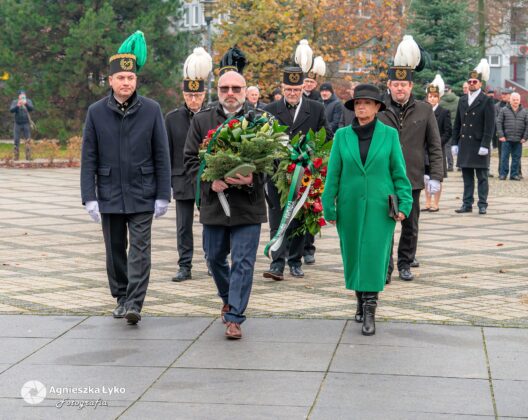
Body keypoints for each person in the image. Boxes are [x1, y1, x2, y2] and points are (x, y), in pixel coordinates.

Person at [80, 31, 171, 325]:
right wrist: (89, 197)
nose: (126, 83)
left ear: (136, 80)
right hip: (109, 193)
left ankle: (134, 302)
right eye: (120, 78)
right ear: (110, 80)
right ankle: (121, 296)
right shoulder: (96, 112)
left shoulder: (152, 110)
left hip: (143, 191)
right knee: (115, 250)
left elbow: (162, 154)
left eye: (130, 78)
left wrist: (163, 194)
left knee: (140, 250)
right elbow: (88, 157)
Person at [322, 84, 412, 336]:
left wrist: (405, 203)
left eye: (367, 103)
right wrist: (328, 205)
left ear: (377, 107)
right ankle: (360, 300)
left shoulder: (389, 135)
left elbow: (399, 172)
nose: (361, 107)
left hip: (380, 207)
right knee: (353, 254)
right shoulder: (342, 136)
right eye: (358, 103)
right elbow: (333, 174)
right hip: (349, 206)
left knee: (374, 255)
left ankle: (370, 309)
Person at [184, 70, 265, 340]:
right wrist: (210, 181)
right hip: (215, 205)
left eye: (236, 88)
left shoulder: (260, 120)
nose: (230, 93)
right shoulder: (202, 119)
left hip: (248, 205)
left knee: (243, 261)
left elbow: (274, 160)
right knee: (214, 258)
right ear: (217, 91)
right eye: (224, 88)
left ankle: (234, 317)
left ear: (245, 91)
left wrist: (253, 178)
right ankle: (229, 299)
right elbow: (190, 160)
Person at [377, 44, 444, 282]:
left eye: (403, 85)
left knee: (410, 225)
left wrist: (436, 176)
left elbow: (434, 145)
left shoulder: (425, 110)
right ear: (389, 85)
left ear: (411, 86)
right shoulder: (379, 110)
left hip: (412, 177)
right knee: (385, 225)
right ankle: (385, 267)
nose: (400, 89)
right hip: (384, 177)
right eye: (396, 84)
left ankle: (405, 263)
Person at [262, 66, 331, 281]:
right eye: (288, 89)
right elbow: (263, 138)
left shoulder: (316, 108)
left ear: (303, 88)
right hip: (277, 175)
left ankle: (295, 261)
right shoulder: (270, 109)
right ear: (282, 88)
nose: (292, 93)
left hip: (304, 174)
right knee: (277, 218)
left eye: (296, 89)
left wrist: (312, 153)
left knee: (300, 217)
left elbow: (327, 136)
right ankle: (276, 263)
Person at [165, 47, 211, 282]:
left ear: (204, 94)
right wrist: (166, 183)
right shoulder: (172, 118)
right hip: (182, 178)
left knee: (210, 222)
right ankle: (185, 265)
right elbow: (166, 152)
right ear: (183, 94)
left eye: (198, 95)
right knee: (183, 226)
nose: (194, 100)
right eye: (189, 95)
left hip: (207, 178)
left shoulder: (212, 115)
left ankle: (212, 261)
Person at [452, 59, 495, 215]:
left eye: (474, 82)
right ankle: (467, 203)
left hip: (479, 144)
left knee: (482, 177)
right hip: (465, 144)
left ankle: (482, 204)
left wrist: (485, 144)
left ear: (480, 83)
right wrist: (454, 142)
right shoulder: (463, 99)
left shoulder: (486, 100)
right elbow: (457, 123)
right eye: (469, 81)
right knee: (467, 177)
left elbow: (490, 126)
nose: (471, 84)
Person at [423, 76, 452, 212]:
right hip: (424, 149)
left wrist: (437, 143)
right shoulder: (423, 112)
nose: (432, 99)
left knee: (437, 177)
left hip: (437, 149)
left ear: (439, 98)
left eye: (435, 96)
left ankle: (436, 203)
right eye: (430, 96)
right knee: (425, 178)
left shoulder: (444, 112)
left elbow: (448, 131)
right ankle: (428, 202)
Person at [497, 92, 528, 180]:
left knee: (516, 158)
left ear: (519, 101)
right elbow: (499, 123)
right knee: (504, 157)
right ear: (510, 100)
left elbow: (527, 125)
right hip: (506, 139)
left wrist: (525, 137)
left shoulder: (524, 111)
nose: (515, 101)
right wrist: (501, 135)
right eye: (514, 100)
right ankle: (503, 174)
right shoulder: (504, 110)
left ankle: (514, 174)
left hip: (519, 140)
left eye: (517, 100)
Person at [9, 89, 34, 161]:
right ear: (19, 96)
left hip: (26, 123)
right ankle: (16, 157)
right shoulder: (15, 102)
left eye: (24, 95)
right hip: (17, 124)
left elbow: (31, 109)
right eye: (21, 95)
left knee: (28, 140)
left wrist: (26, 104)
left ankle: (28, 157)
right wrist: (17, 105)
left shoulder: (28, 101)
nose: (23, 96)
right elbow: (11, 110)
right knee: (16, 140)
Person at [440, 84, 459, 171]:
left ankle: (450, 165)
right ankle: (460, 165)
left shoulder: (441, 101)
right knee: (459, 145)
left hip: (446, 126)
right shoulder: (458, 100)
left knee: (447, 147)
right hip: (457, 126)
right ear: (451, 90)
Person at [495, 88, 513, 176]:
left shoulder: (515, 104)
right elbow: (495, 120)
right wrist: (501, 132)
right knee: (502, 154)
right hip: (502, 134)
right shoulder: (497, 106)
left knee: (515, 155)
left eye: (506, 94)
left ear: (510, 95)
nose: (503, 95)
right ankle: (501, 172)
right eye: (502, 94)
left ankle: (517, 172)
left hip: (514, 133)